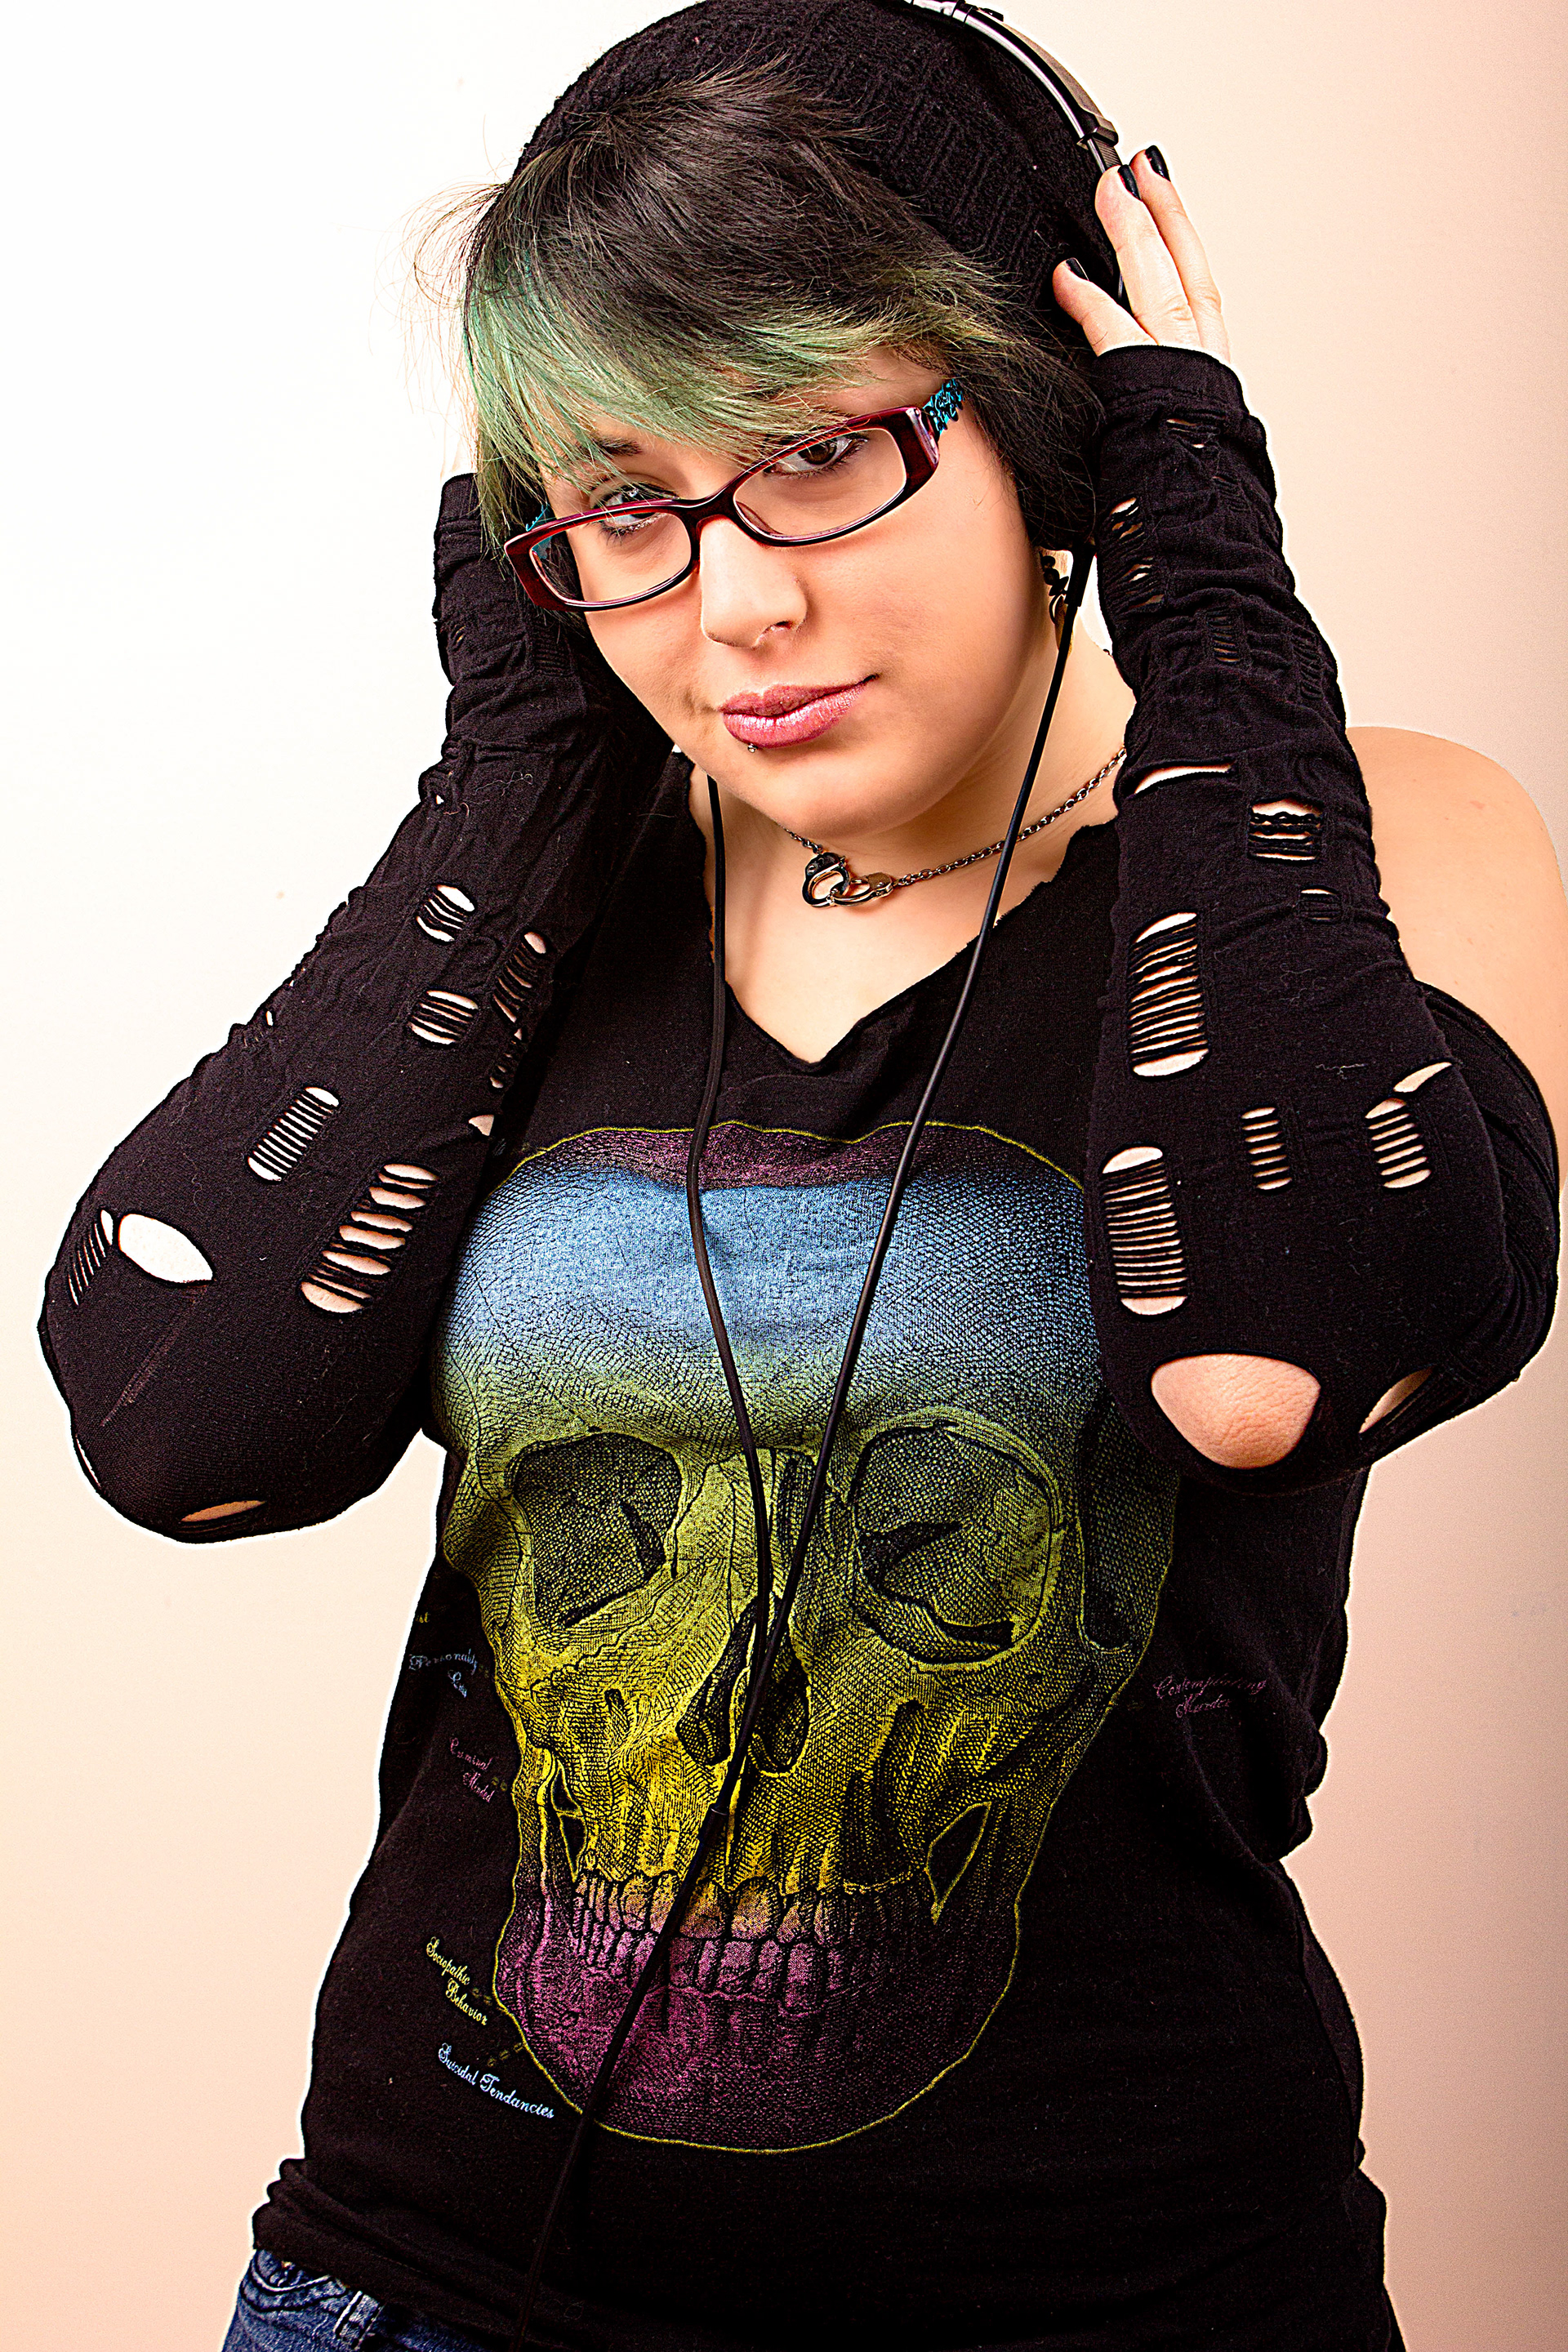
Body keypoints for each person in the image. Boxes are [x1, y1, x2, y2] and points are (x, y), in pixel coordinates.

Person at [38, 3, 1567, 2348]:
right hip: (416, 2290)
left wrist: (1206, 588)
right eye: (622, 501)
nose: (734, 605)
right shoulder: (552, 895)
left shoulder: (1370, 841)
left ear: (1057, 431)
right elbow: (187, 1431)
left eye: (821, 451)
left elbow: (1273, 1362)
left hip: (1125, 2307)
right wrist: (516, 772)